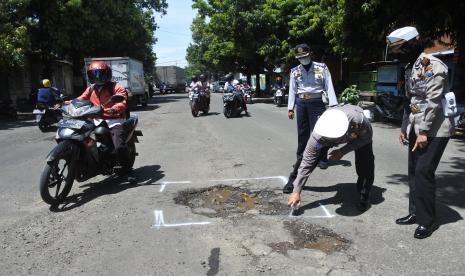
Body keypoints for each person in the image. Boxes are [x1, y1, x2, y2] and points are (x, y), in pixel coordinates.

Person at [388, 26, 455, 239]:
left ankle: (428, 221)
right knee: (414, 170)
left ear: (412, 44)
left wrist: (424, 131)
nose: (396, 52)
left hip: (435, 128)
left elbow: (433, 102)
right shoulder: (410, 67)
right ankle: (415, 213)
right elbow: (412, 102)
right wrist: (404, 127)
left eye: (400, 48)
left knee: (424, 171)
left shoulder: (433, 65)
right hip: (418, 125)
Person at [287, 105, 375, 211]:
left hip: (357, 133)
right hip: (326, 137)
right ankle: (294, 182)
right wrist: (297, 191)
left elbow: (366, 138)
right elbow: (307, 160)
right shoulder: (318, 135)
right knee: (308, 157)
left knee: (365, 162)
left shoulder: (358, 121)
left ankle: (364, 194)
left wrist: (342, 151)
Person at [283, 43, 338, 194]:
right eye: (300, 58)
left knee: (320, 133)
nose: (303, 59)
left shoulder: (322, 68)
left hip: (317, 103)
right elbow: (292, 90)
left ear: (310, 54)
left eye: (305, 57)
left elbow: (329, 85)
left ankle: (322, 157)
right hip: (301, 103)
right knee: (303, 134)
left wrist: (333, 106)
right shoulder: (295, 71)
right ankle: (300, 159)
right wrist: (290, 108)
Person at [75, 61, 136, 184]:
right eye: (94, 74)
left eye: (100, 74)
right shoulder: (91, 88)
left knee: (118, 145)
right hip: (96, 119)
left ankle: (128, 170)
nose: (97, 77)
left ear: (107, 74)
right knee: (81, 137)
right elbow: (79, 99)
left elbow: (122, 101)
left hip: (114, 119)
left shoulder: (116, 87)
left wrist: (114, 108)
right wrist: (64, 104)